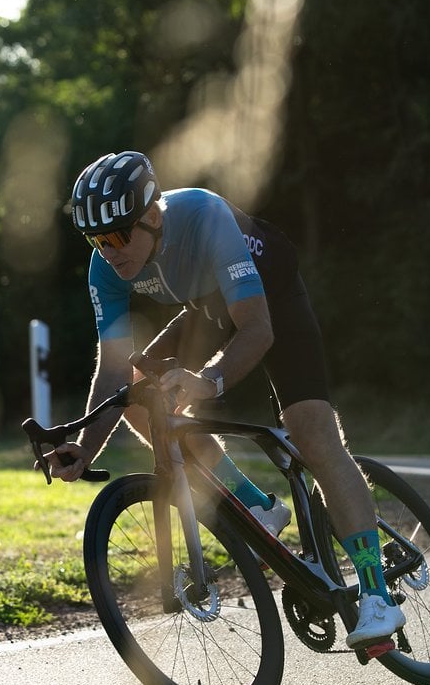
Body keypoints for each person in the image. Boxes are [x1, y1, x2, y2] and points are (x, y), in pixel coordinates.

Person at [45, 150, 404, 648]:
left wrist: (208, 381)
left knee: (310, 431)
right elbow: (111, 370)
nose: (108, 251)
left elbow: (256, 331)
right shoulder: (105, 269)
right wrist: (84, 450)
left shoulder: (203, 216)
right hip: (206, 306)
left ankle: (376, 594)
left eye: (117, 236)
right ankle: (258, 506)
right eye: (96, 240)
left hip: (268, 296)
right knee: (136, 393)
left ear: (151, 216)